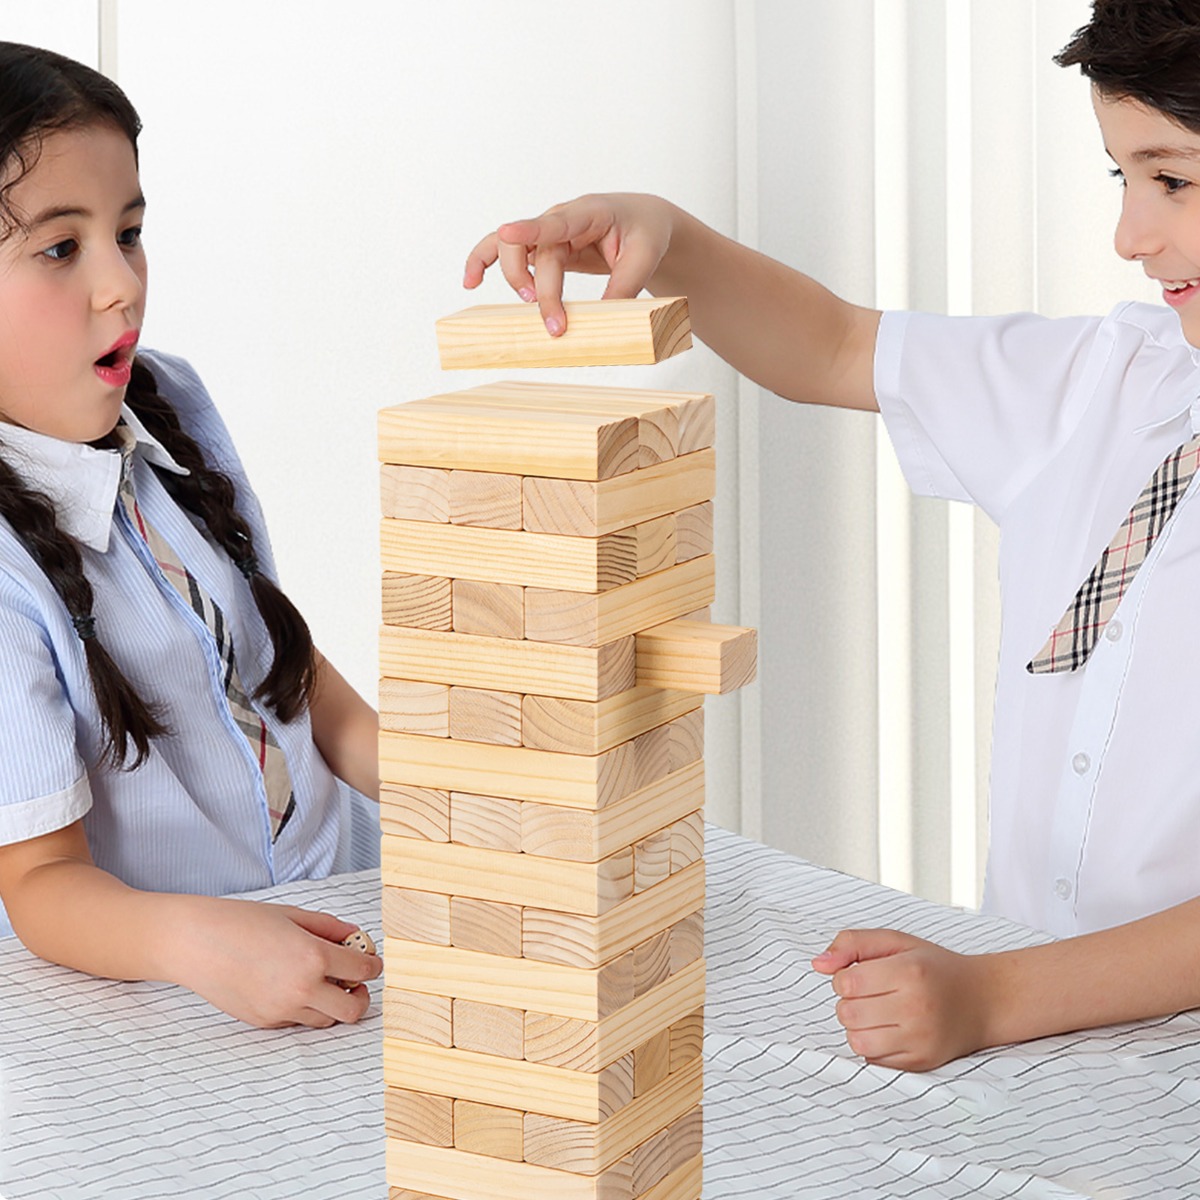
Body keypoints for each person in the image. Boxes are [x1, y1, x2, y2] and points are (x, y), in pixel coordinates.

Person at [463, 0, 1200, 1071]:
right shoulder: (1099, 385)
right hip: (1038, 1054)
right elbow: (835, 346)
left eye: (1171, 179)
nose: (1130, 235)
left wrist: (994, 996)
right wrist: (666, 237)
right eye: (1119, 179)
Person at [0, 43, 382, 1029]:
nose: (120, 283)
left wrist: (443, 785)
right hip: (184, 1002)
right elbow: (41, 883)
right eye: (59, 248)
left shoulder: (168, 395)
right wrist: (200, 939)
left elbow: (273, 666)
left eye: (128, 233)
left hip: (355, 907)